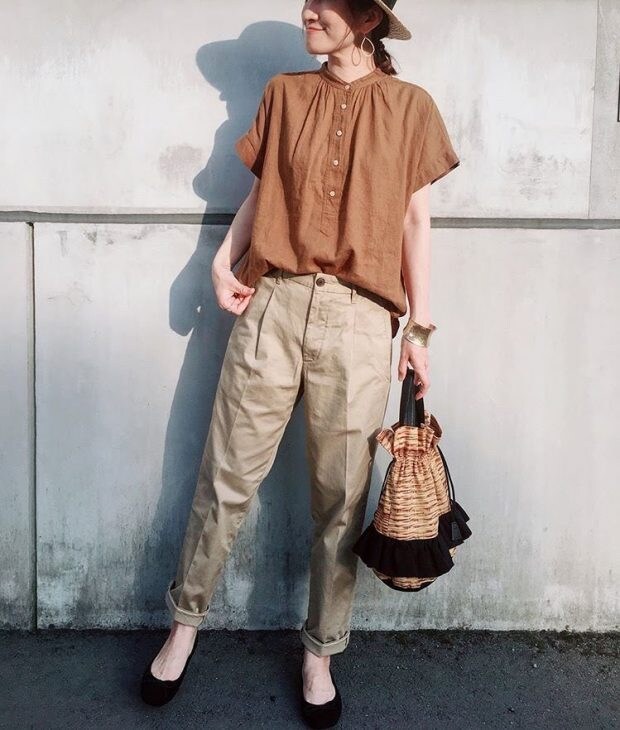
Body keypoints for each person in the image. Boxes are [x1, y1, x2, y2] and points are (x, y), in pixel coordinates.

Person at [140, 0, 460, 726]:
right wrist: (219, 263)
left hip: (359, 317)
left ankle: (321, 651)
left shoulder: (411, 107)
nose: (309, 10)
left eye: (327, 2)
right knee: (225, 477)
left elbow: (416, 220)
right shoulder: (284, 94)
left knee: (341, 499)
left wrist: (419, 329)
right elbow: (263, 194)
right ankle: (183, 627)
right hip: (272, 305)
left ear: (367, 21)